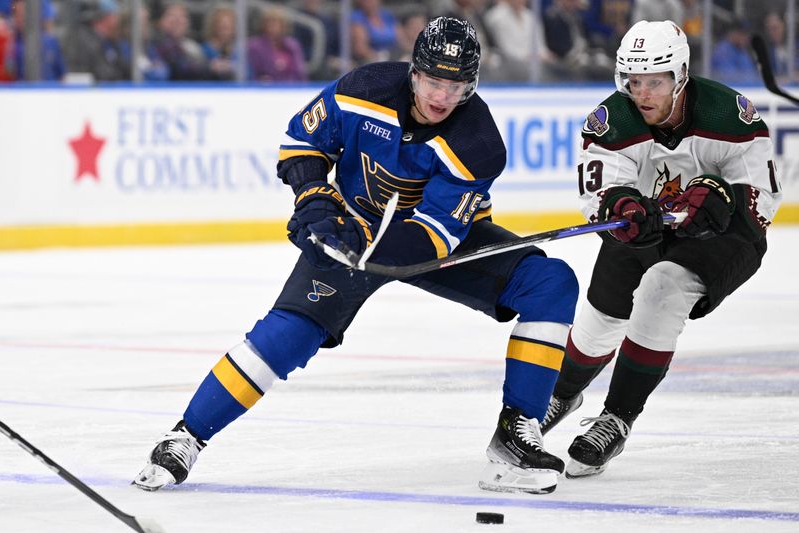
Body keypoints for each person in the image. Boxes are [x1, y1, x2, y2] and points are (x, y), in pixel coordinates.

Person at [132, 16, 578, 495]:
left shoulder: (478, 143)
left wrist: (355, 247)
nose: (441, 96)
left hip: (424, 240)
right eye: (433, 80)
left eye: (456, 85)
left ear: (471, 85)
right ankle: (187, 436)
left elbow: (435, 236)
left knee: (549, 283)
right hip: (351, 222)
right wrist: (315, 199)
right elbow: (302, 142)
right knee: (288, 334)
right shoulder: (362, 89)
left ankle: (515, 438)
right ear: (414, 71)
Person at [540, 20, 782, 478]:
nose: (643, 93)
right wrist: (624, 206)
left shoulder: (728, 114)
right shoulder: (611, 121)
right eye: (634, 81)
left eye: (655, 81)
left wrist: (724, 199)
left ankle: (617, 417)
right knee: (599, 320)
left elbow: (761, 197)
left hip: (722, 237)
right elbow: (600, 194)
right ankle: (562, 393)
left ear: (681, 76)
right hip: (650, 229)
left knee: (661, 289)